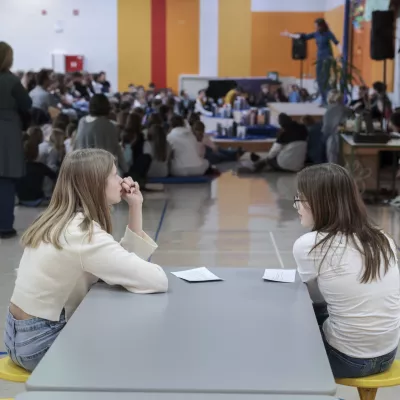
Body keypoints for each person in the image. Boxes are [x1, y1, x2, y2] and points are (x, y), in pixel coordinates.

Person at [4, 149, 168, 372]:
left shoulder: (57, 219)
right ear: (96, 183)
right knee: (133, 341)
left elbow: (123, 264)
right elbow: (156, 280)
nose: (121, 180)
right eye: (114, 175)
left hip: (16, 336)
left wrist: (135, 206)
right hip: (41, 344)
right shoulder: (83, 234)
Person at [293, 163, 400, 379]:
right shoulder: (382, 237)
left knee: (290, 318)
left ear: (320, 203)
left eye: (300, 199)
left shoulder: (310, 244)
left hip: (348, 360)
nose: (296, 206)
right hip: (388, 354)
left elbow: (312, 299)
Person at [0, 41, 33, 238]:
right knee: (5, 181)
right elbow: (27, 103)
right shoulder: (11, 81)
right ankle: (4, 226)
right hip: (7, 132)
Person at [281, 18, 342, 105]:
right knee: (319, 80)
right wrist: (289, 35)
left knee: (325, 79)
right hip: (319, 59)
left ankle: (329, 101)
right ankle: (324, 100)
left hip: (327, 58)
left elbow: (337, 43)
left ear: (321, 26)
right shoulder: (316, 34)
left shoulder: (328, 33)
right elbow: (303, 37)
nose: (315, 27)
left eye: (316, 26)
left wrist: (340, 53)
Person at [74, 94, 128, 174]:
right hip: (101, 173)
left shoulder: (82, 121)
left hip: (81, 170)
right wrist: (126, 170)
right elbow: (115, 150)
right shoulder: (108, 125)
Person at [240, 113, 308, 173]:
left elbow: (273, 152)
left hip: (285, 165)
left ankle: (255, 166)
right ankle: (260, 160)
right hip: (299, 165)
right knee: (277, 156)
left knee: (269, 160)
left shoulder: (284, 134)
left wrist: (267, 158)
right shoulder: (303, 129)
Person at [17, 129, 57, 205]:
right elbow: (55, 177)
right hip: (37, 199)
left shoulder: (19, 167)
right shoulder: (41, 167)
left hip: (21, 199)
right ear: (37, 153)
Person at [322, 89, 351, 164]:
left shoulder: (330, 110)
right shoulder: (348, 110)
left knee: (333, 159)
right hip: (347, 139)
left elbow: (326, 128)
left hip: (334, 139)